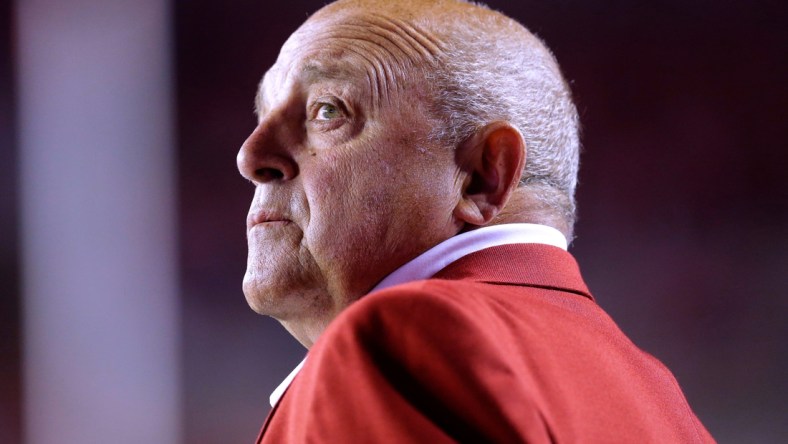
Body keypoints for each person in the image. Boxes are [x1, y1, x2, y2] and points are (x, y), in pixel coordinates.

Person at [236, 0, 715, 442]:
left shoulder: (401, 343)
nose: (251, 155)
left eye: (327, 111)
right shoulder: (660, 399)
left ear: (482, 178)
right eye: (263, 115)